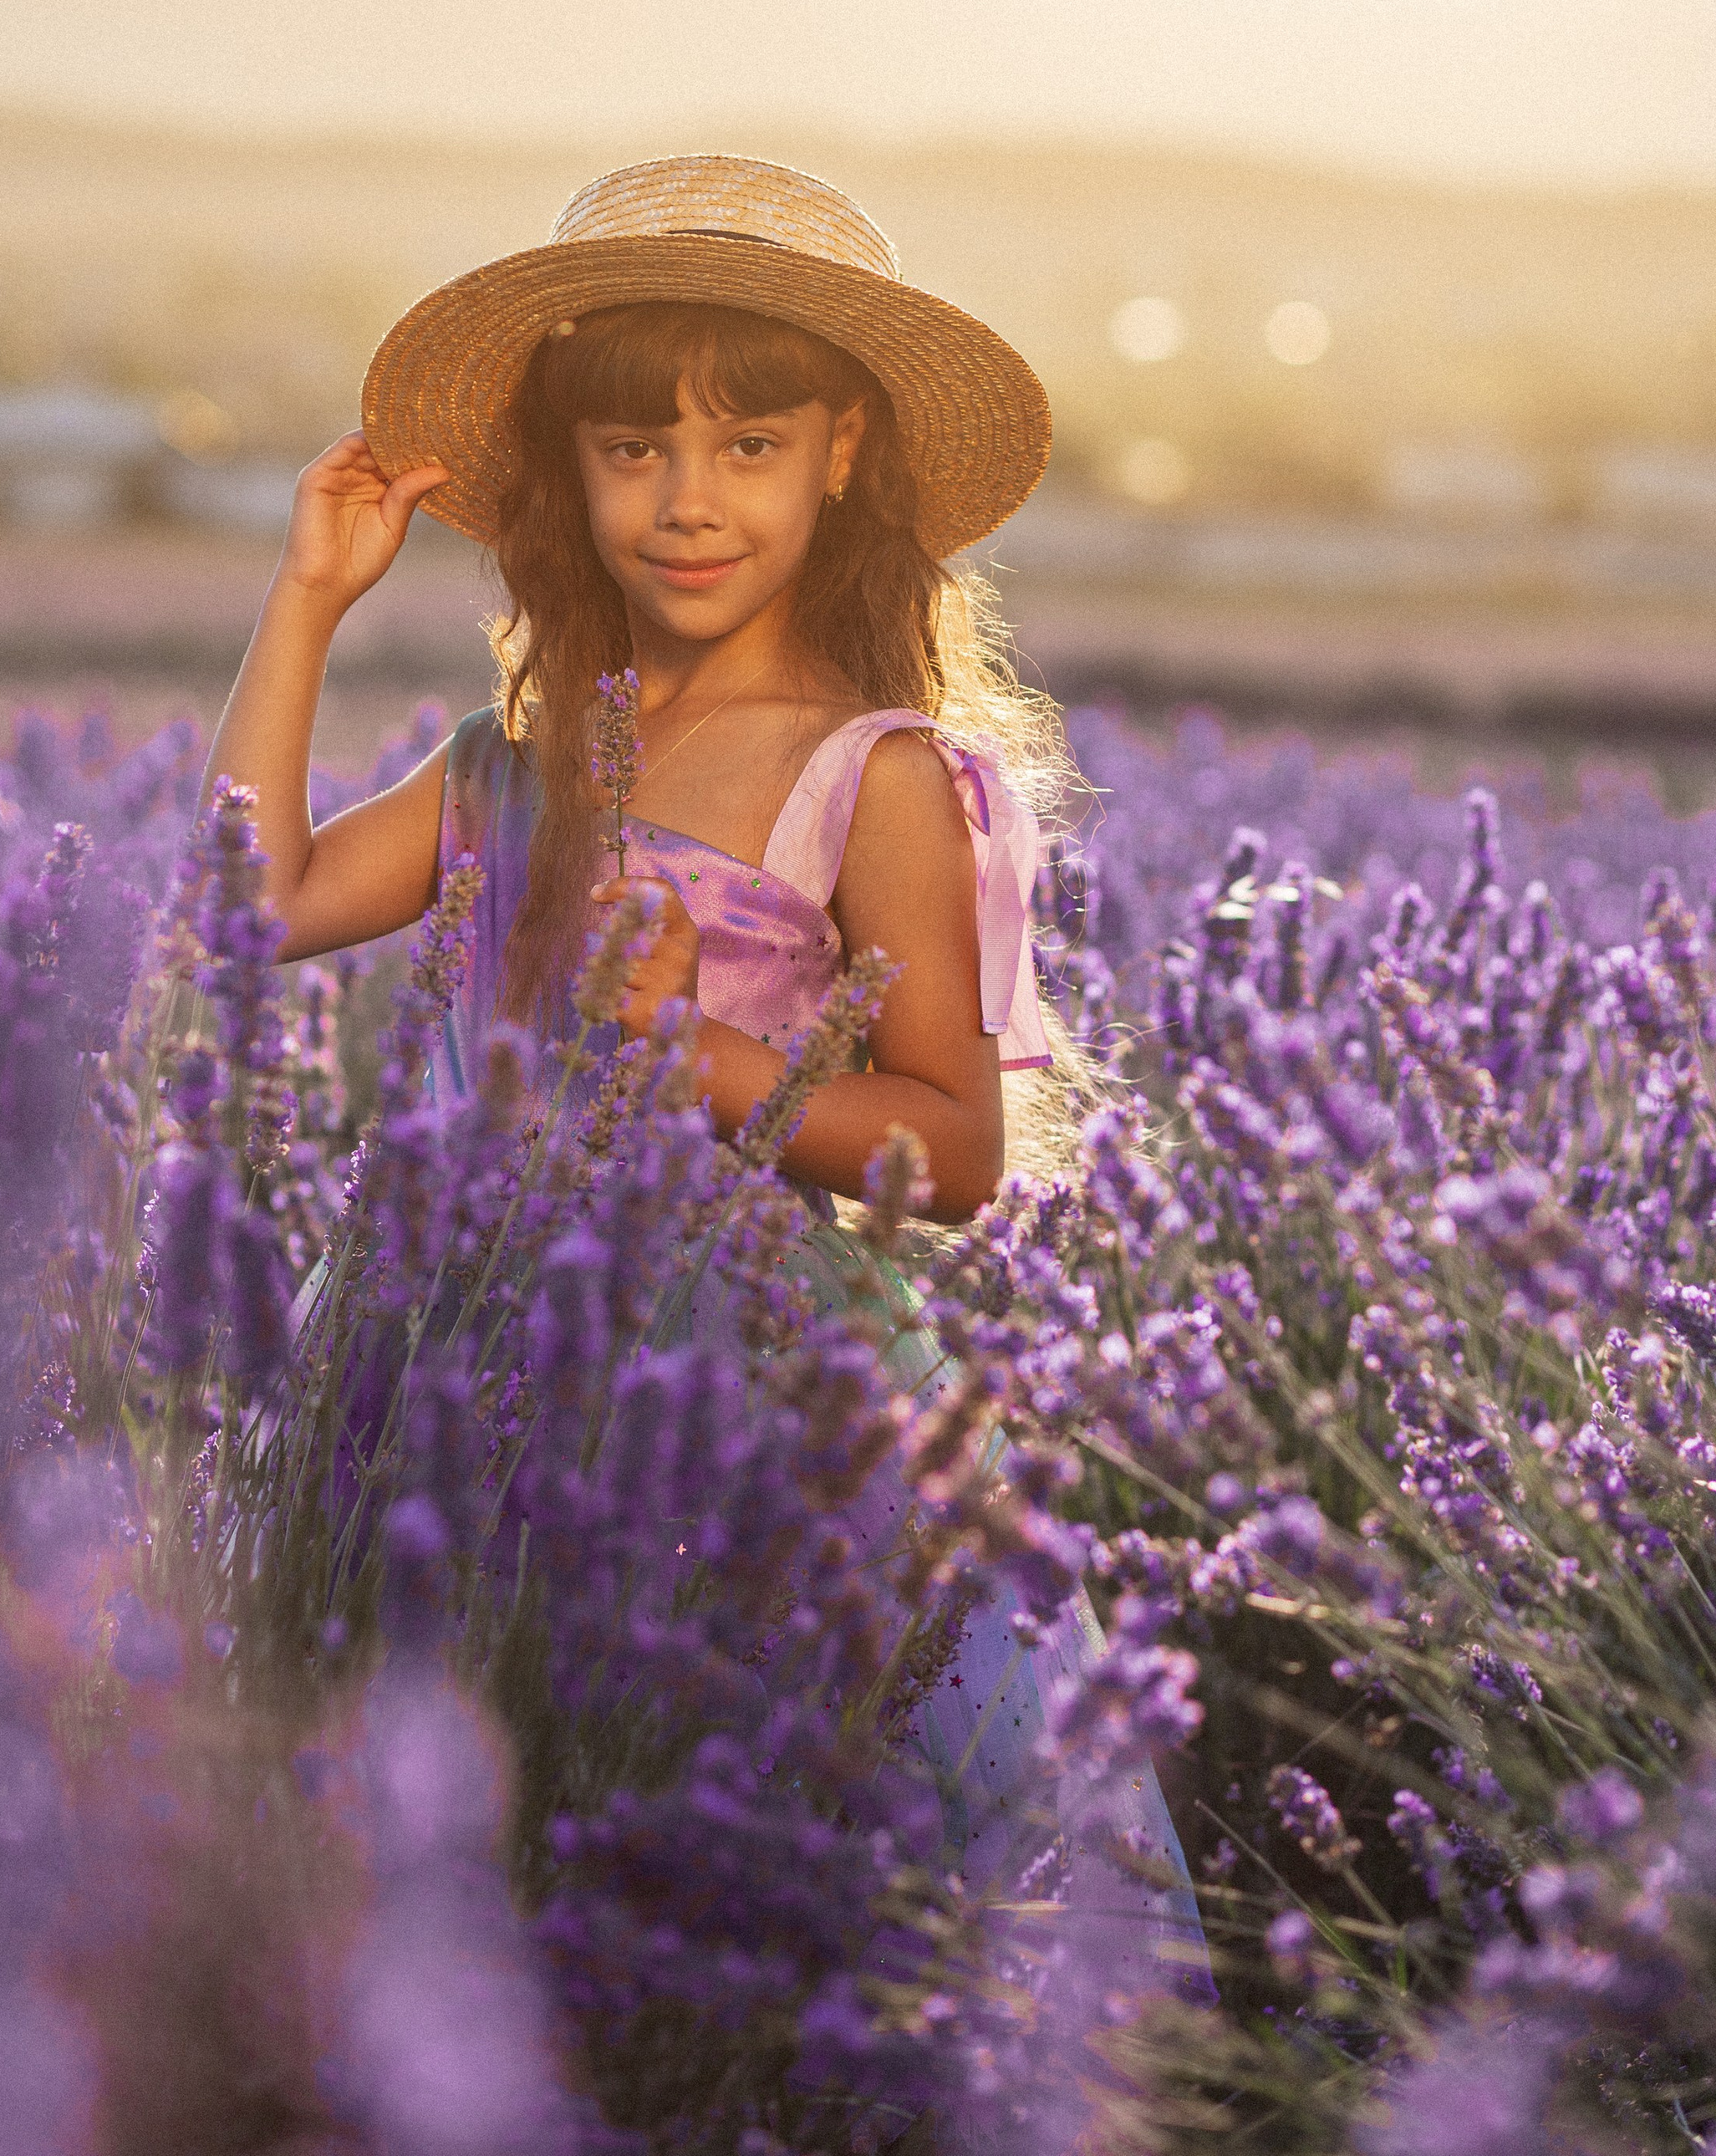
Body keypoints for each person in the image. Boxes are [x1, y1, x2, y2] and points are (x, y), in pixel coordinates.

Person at [206, 150, 1205, 2023]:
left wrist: (699, 1050)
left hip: (731, 1391)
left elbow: (956, 1146)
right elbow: (244, 909)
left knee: (767, 1847)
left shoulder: (878, 772)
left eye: (746, 446)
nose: (685, 503)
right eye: (632, 452)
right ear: (560, 478)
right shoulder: (511, 759)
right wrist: (306, 599)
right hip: (443, 1349)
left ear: (841, 459)